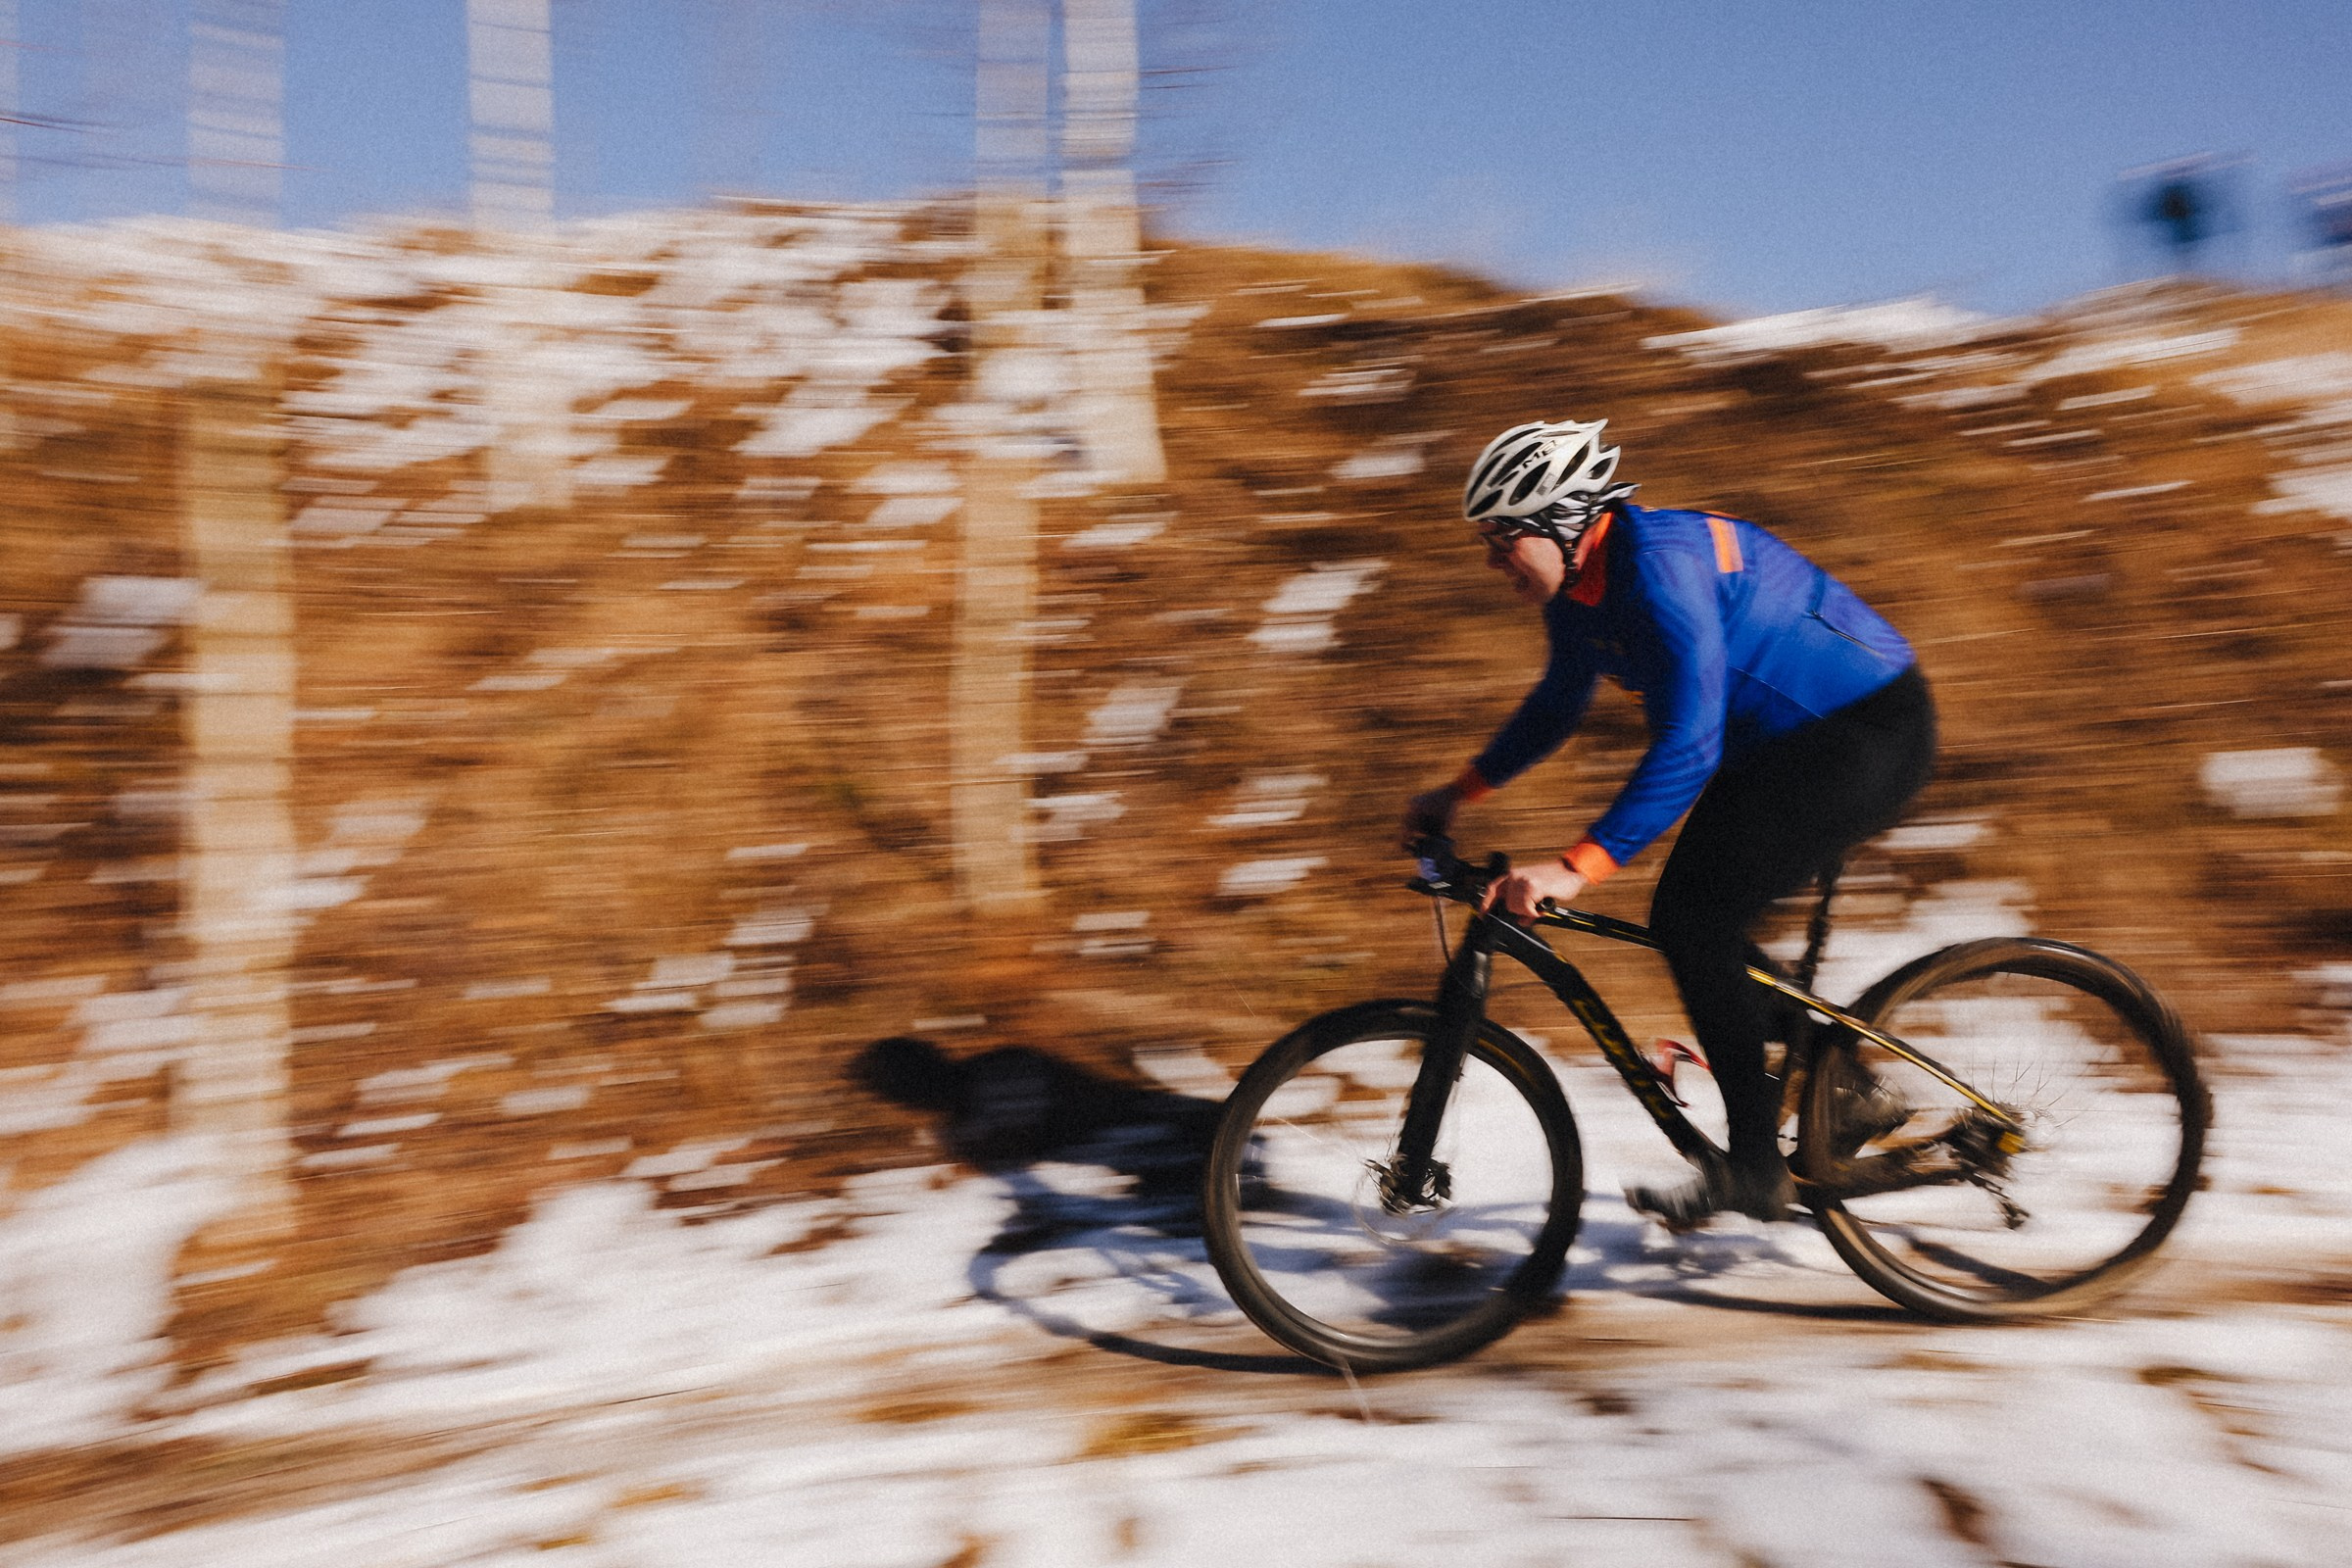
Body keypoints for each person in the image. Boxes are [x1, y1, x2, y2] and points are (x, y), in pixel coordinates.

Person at [1399, 418, 1936, 1230]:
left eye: (1502, 538)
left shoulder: (1657, 570)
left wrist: (1576, 865)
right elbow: (1558, 703)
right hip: (1782, 740)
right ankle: (1848, 1089)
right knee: (1694, 922)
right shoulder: (1583, 591)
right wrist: (1461, 790)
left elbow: (1689, 742)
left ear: (1560, 523)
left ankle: (1757, 1170)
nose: (1491, 559)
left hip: (1864, 730)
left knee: (1697, 918)